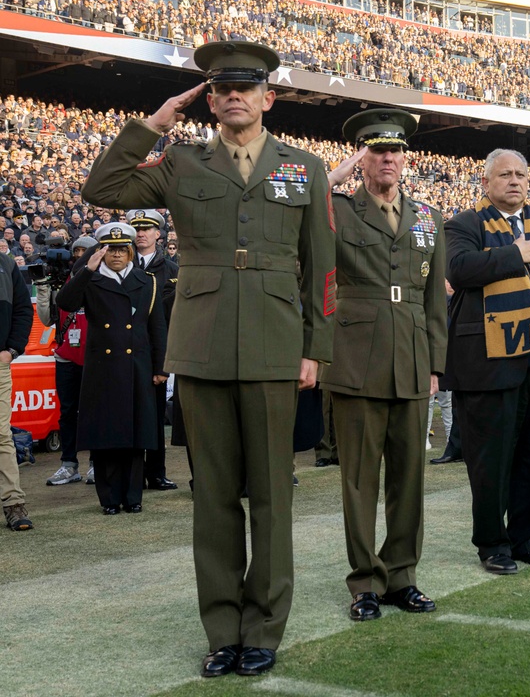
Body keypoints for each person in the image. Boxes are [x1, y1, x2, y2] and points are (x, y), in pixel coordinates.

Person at [80, 41, 336, 678]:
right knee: (214, 496)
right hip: (201, 343)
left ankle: (265, 627)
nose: (234, 96)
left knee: (273, 494)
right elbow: (103, 186)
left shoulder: (304, 167)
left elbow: (323, 267)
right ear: (212, 100)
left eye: (247, 87)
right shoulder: (182, 161)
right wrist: (154, 122)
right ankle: (224, 630)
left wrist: (316, 349)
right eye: (222, 88)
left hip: (278, 344)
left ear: (268, 97)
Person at [320, 108, 447, 622]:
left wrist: (435, 364)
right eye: (376, 151)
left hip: (413, 358)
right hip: (355, 358)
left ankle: (402, 577)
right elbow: (299, 209)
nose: (388, 158)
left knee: (409, 480)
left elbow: (434, 299)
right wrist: (336, 175)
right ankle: (365, 583)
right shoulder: (336, 211)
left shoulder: (427, 218)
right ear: (362, 159)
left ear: (405, 158)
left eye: (395, 151)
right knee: (359, 482)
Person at [444, 148, 530, 574]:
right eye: (505, 175)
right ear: (486, 182)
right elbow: (459, 269)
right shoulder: (464, 223)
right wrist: (515, 254)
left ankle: (524, 537)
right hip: (490, 363)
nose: (515, 181)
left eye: (521, 174)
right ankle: (491, 543)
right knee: (491, 461)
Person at [55, 223, 167, 515]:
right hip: (103, 368)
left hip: (137, 366)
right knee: (106, 435)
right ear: (101, 252)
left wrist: (161, 367)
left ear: (130, 252)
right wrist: (87, 270)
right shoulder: (91, 280)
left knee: (134, 434)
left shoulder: (148, 281)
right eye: (109, 249)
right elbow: (64, 302)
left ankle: (132, 496)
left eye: (121, 249)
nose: (116, 255)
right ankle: (109, 498)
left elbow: (156, 328)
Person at [38, 235, 98, 486]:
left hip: (95, 358)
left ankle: (97, 462)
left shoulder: (99, 279)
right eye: (76, 251)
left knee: (96, 411)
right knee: (67, 413)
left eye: (85, 252)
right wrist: (44, 289)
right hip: (66, 357)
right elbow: (46, 320)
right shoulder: (61, 283)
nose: (78, 256)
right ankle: (68, 464)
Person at [126, 208, 179, 491]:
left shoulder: (171, 269)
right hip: (126, 349)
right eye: (137, 229)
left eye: (147, 228)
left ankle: (156, 472)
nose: (141, 233)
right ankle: (130, 472)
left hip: (157, 350)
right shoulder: (122, 266)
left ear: (158, 234)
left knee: (156, 416)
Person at [0, 238, 34, 531]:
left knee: (1, 437)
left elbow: (24, 311)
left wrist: (11, 350)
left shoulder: (6, 264)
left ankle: (13, 503)